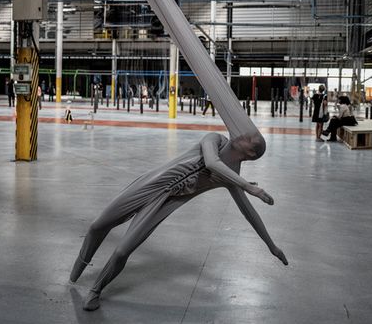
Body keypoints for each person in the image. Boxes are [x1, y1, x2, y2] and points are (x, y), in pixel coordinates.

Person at [70, 131, 287, 311]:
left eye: (249, 139)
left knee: (122, 251)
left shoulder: (232, 176)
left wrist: (271, 246)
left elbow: (249, 213)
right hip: (150, 184)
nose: (242, 134)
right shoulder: (215, 139)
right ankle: (78, 268)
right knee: (98, 225)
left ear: (249, 152)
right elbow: (212, 162)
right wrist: (248, 186)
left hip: (165, 203)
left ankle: (95, 290)